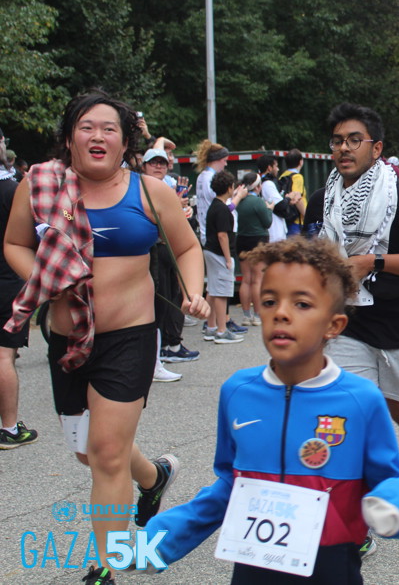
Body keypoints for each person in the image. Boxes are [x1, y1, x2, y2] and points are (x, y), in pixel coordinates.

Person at [2, 90, 211, 584]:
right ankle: (154, 477)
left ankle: (106, 566)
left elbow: (187, 249)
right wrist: (47, 278)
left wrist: (194, 292)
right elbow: (14, 243)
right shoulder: (40, 185)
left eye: (109, 128)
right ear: (69, 137)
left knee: (108, 454)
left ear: (124, 141)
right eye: (87, 127)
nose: (98, 136)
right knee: (89, 452)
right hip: (67, 339)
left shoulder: (150, 192)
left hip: (129, 338)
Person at [145, 237, 399, 582]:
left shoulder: (360, 399)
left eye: (302, 303)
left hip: (331, 567)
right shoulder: (238, 391)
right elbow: (230, 485)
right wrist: (154, 545)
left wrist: (395, 504)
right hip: (251, 568)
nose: (281, 312)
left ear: (334, 325)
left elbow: (393, 477)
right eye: (269, 301)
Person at [320, 103, 399, 500]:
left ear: (376, 148)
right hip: (347, 323)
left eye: (354, 140)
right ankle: (355, 507)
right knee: (347, 412)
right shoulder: (324, 199)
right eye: (337, 141)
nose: (344, 148)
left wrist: (372, 262)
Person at [142, 144, 198, 382]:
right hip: (146, 253)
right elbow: (67, 215)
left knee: (165, 303)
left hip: (165, 250)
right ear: (144, 165)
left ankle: (160, 357)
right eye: (153, 162)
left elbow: (186, 239)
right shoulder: (137, 188)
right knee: (153, 305)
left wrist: (182, 210)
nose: (158, 166)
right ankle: (157, 358)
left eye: (162, 163)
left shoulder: (168, 187)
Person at [0, 132, 38, 448]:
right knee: (3, 355)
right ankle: (10, 429)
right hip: (8, 280)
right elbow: (37, 233)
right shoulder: (12, 190)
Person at [204, 171, 245, 344]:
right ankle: (222, 330)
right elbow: (222, 235)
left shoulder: (215, 205)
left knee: (212, 290)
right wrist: (228, 258)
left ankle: (211, 327)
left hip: (210, 251)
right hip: (220, 253)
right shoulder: (222, 209)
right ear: (229, 188)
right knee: (221, 292)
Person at [235, 172, 274, 326]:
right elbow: (267, 222)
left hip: (242, 239)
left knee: (246, 279)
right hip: (258, 240)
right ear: (257, 186)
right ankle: (257, 316)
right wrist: (269, 209)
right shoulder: (258, 202)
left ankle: (246, 315)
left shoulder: (239, 200)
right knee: (258, 279)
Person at [279, 149, 308, 236]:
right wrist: (307, 217)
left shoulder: (282, 176)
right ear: (300, 162)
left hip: (286, 219)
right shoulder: (297, 177)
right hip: (297, 221)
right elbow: (297, 198)